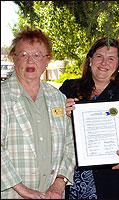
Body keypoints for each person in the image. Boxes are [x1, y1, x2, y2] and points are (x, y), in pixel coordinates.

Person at [59, 37, 119, 199]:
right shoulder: (69, 89)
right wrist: (61, 114)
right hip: (77, 183)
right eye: (99, 56)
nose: (104, 63)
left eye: (111, 58)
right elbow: (53, 132)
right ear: (90, 60)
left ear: (118, 65)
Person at [1, 27, 76, 199]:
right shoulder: (3, 96)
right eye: (23, 54)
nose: (30, 61)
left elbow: (70, 145)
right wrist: (23, 190)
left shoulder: (58, 97)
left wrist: (59, 184)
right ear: (14, 58)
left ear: (47, 60)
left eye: (37, 55)